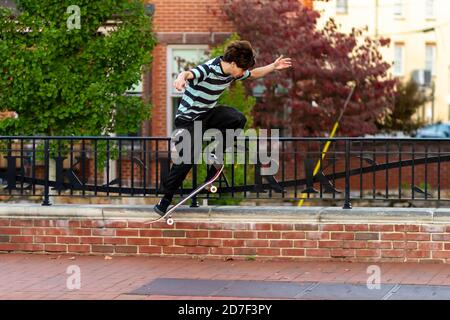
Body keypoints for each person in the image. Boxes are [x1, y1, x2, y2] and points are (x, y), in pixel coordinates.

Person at [154, 40, 292, 215]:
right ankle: (164, 201)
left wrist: (273, 66)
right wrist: (180, 79)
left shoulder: (232, 72)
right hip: (188, 119)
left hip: (206, 115)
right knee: (188, 158)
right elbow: (188, 73)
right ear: (233, 63)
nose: (242, 74)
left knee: (237, 119)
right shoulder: (210, 68)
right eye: (241, 69)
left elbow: (253, 74)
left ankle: (215, 159)